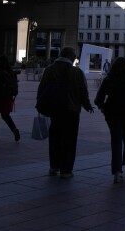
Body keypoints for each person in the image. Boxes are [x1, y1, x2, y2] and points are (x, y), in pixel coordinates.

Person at [37, 46, 94, 179]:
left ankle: (54, 166)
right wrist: (87, 106)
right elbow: (83, 92)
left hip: (54, 109)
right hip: (71, 110)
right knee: (69, 140)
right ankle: (66, 170)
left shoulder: (50, 69)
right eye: (74, 55)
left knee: (55, 138)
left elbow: (42, 88)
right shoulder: (77, 72)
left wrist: (40, 103)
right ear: (71, 57)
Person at [94, 57, 125, 183]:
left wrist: (102, 107)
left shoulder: (109, 79)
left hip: (112, 113)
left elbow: (99, 98)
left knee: (116, 141)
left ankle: (117, 172)